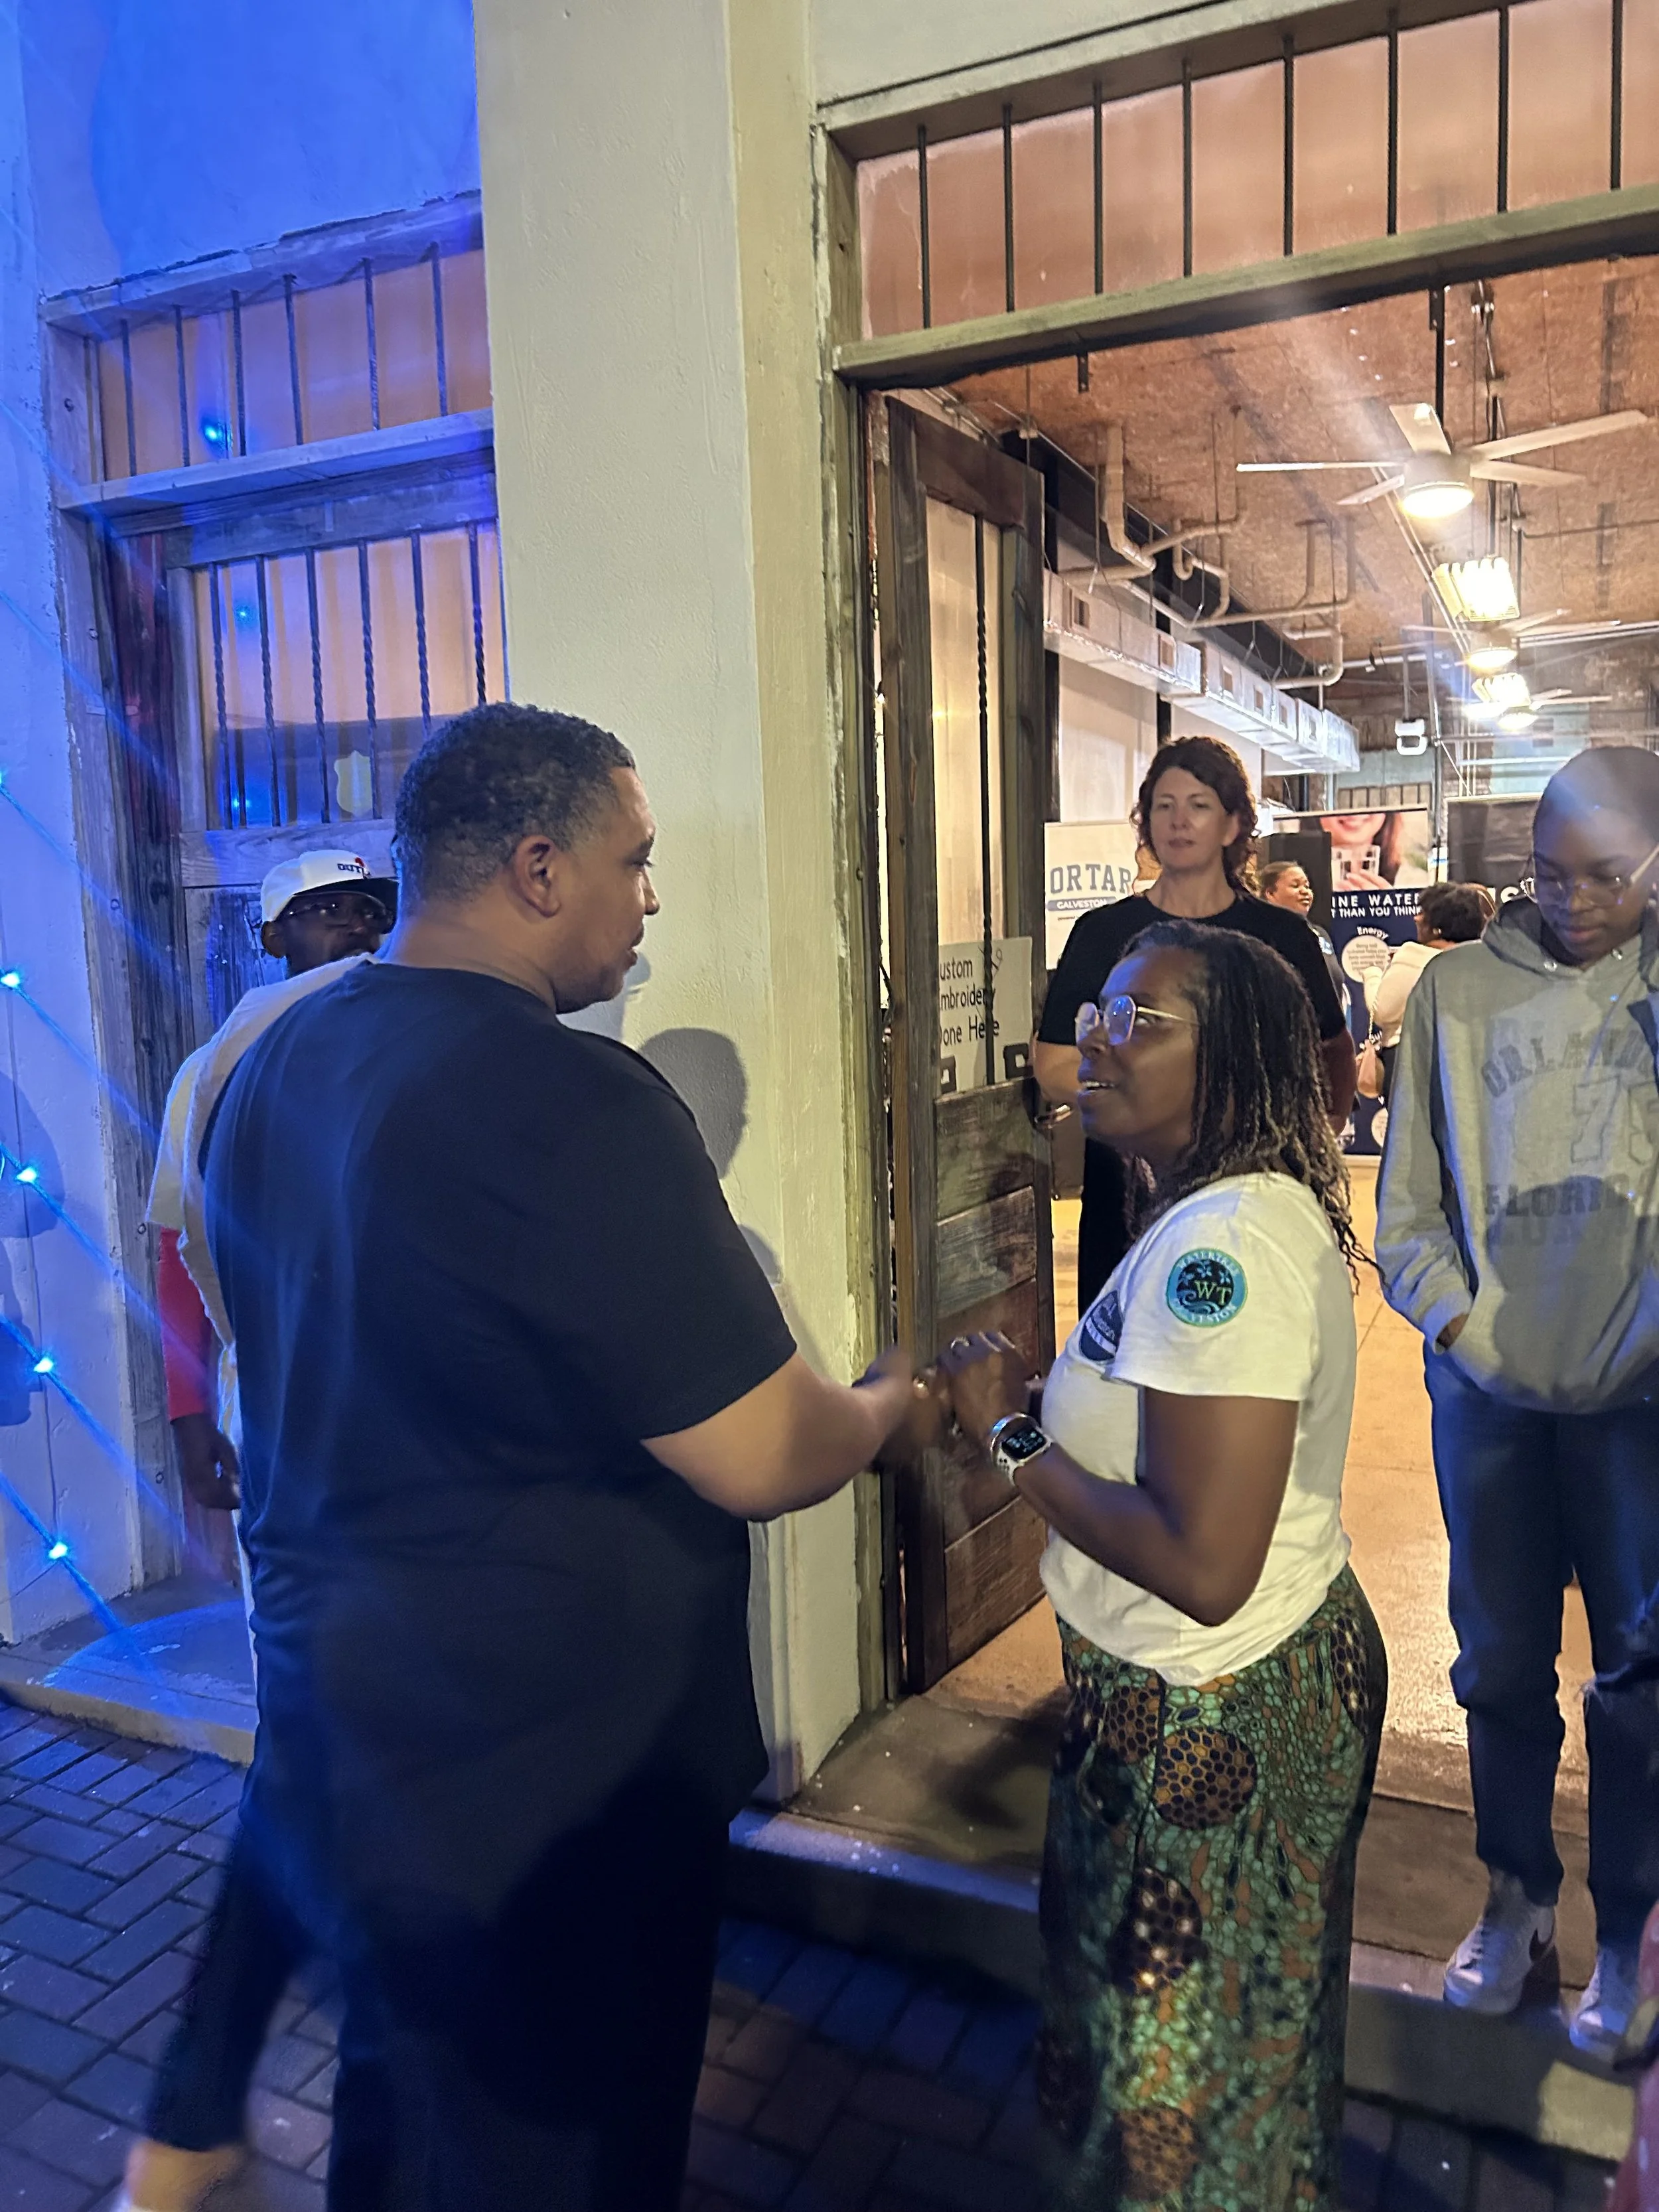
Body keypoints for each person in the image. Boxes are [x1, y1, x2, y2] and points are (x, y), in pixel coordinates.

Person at [196, 702, 939, 2212]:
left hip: (366, 1738)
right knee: (561, 2144)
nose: (650, 896)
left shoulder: (274, 1062)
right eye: (635, 860)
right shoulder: (573, 1099)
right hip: (553, 1785)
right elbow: (760, 1450)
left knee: (401, 2116)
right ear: (540, 867)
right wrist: (883, 1404)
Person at [940, 921, 1384, 2208]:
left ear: (1232, 1058)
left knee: (1173, 2096)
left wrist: (1010, 1435)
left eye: (1141, 1018)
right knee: (1233, 2057)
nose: (1097, 1034)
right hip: (1213, 1694)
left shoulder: (1218, 1256)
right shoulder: (1201, 1213)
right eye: (1098, 1011)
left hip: (1209, 1716)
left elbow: (1201, 1563)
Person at [1376, 745, 1659, 2055]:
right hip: (1485, 1393)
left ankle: (1630, 1927)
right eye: (1547, 872)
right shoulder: (1453, 989)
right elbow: (1406, 1207)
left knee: (1638, 1677)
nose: (1573, 899)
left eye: (1604, 875)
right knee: (1494, 1662)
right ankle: (1513, 1896)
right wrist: (1460, 1326)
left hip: (1638, 1400)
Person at [124, 851, 396, 2212]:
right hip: (302, 1413)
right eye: (322, 906)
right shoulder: (230, 1055)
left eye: (366, 899)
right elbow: (178, 1259)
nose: (350, 921)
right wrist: (189, 1421)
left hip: (356, 1423)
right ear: (272, 929)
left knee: (328, 1711)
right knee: (311, 1707)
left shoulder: (418, 1011)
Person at [1036, 737, 1357, 1311]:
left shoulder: (1281, 937)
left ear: (1234, 825)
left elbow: (1332, 1050)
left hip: (1259, 1187)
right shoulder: (1102, 933)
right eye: (1163, 805)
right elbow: (1056, 1058)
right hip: (1127, 1193)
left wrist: (1315, 1138)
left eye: (1199, 804)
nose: (1179, 820)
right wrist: (1146, 1106)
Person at [1368, 882, 1493, 1102]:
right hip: (1468, 1063)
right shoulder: (1483, 962)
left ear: (1437, 926)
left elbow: (1382, 1012)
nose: (1416, 918)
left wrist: (1372, 975)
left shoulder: (1414, 956)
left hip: (1411, 1064)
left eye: (1423, 913)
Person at [1259, 857, 1346, 1009]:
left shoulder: (1320, 934)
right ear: (1270, 893)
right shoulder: (1262, 936)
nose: (1305, 891)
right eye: (1295, 885)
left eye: (1307, 886)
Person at [1319, 808, 1432, 890]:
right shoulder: (1304, 887)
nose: (1354, 810)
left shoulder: (1416, 884)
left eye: (1369, 796)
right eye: (1340, 797)